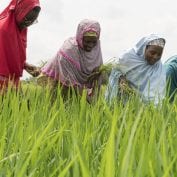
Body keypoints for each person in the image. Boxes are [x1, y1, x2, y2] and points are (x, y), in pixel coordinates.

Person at [38, 19, 103, 102]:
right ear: (80, 37)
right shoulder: (69, 50)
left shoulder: (97, 46)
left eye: (94, 42)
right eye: (87, 41)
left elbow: (99, 72)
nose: (90, 45)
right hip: (61, 83)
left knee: (77, 107)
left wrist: (95, 97)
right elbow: (70, 81)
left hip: (80, 88)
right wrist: (89, 100)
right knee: (60, 104)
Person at [105, 34, 166, 105]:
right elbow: (116, 70)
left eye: (159, 54)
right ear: (144, 48)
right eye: (152, 53)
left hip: (140, 104)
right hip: (121, 97)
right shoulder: (128, 57)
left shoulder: (158, 67)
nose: (155, 57)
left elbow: (156, 92)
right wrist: (121, 78)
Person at [0, 0, 41, 92]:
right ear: (20, 11)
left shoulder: (21, 29)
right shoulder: (3, 30)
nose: (28, 24)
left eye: (32, 21)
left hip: (12, 80)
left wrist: (24, 65)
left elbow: (10, 56)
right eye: (26, 19)